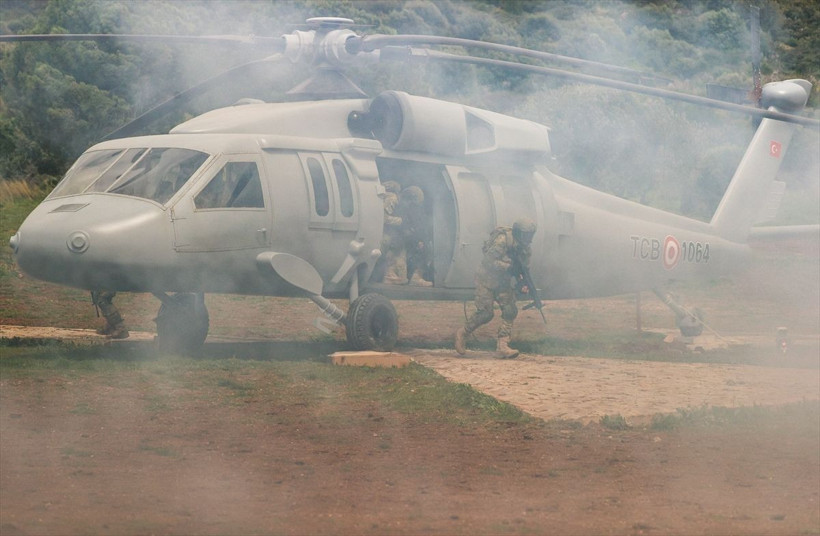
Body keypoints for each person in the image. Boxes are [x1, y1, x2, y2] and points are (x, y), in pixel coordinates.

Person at [454, 218, 537, 359]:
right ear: (518, 233)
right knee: (486, 313)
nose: (528, 239)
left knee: (510, 310)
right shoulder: (503, 241)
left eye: (530, 235)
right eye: (525, 235)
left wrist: (523, 283)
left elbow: (523, 269)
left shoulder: (525, 250)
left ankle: (503, 346)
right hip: (485, 279)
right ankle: (463, 333)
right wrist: (509, 267)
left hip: (502, 282)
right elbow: (488, 261)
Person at [398, 185, 432, 285]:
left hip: (410, 237)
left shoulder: (404, 207)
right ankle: (416, 277)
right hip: (412, 238)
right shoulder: (414, 208)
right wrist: (419, 240)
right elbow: (418, 226)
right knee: (425, 251)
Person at [370, 180, 404, 283]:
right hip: (384, 233)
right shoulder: (391, 197)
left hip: (375, 231)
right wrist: (400, 221)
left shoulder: (379, 196)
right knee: (381, 257)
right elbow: (383, 217)